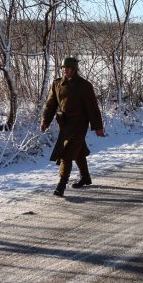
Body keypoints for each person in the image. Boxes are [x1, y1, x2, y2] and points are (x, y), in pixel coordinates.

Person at [40, 57, 105, 197]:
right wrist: (45, 121)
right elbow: (50, 105)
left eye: (67, 68)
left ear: (74, 69)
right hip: (64, 124)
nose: (65, 70)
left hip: (79, 124)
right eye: (63, 68)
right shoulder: (57, 84)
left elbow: (92, 108)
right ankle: (85, 177)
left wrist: (98, 126)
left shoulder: (84, 85)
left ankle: (61, 185)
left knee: (66, 153)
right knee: (78, 150)